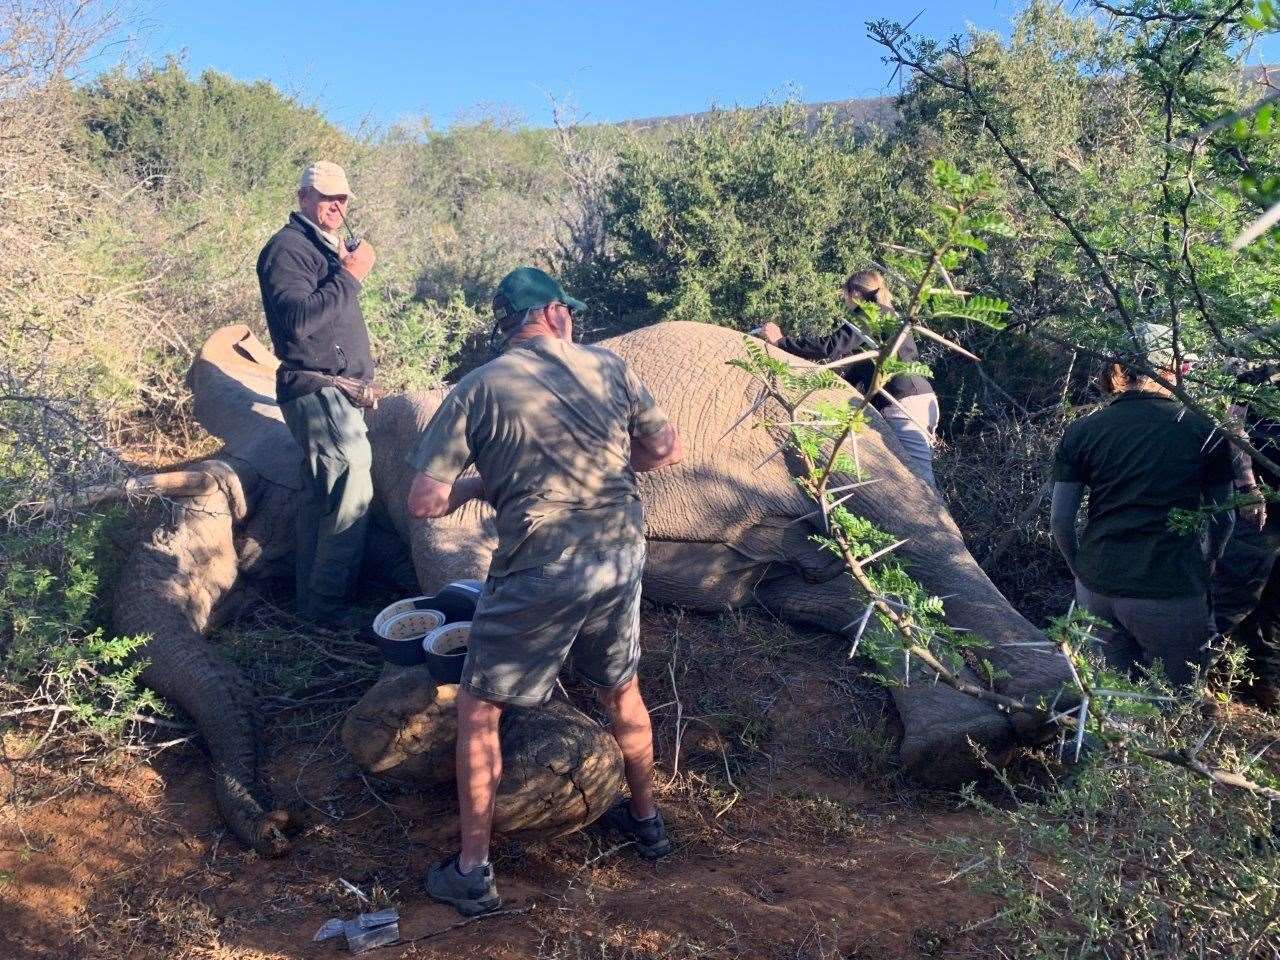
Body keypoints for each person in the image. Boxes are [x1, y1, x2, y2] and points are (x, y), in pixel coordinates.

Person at [406, 266, 683, 916]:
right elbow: (665, 450)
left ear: (507, 325)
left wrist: (480, 485)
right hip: (617, 556)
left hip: (539, 568)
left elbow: (424, 501)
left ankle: (472, 872)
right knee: (623, 691)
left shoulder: (475, 389)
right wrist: (616, 467)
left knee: (480, 711)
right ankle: (647, 824)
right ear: (556, 315)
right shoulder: (610, 369)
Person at [1050, 324, 1235, 687]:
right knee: (1175, 699)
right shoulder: (1204, 430)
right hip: (1168, 587)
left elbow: (1060, 521)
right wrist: (1209, 564)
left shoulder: (1084, 430)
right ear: (1171, 369)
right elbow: (1223, 519)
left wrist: (1081, 570)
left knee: (1115, 700)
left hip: (1097, 587)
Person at [257, 161, 378, 624]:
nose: (336, 205)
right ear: (303, 197)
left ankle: (310, 606)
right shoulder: (287, 249)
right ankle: (329, 611)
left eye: (342, 198)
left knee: (321, 498)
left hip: (335, 392)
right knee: (353, 489)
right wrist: (350, 276)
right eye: (326, 196)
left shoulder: (323, 249)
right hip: (317, 388)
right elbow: (298, 323)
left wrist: (342, 269)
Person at [758, 269, 941, 487]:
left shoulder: (870, 314)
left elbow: (830, 347)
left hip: (904, 405)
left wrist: (781, 342)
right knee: (904, 480)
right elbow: (860, 371)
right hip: (914, 401)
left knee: (921, 485)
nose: (845, 301)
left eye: (844, 295)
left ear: (854, 293)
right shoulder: (886, 318)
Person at [1211, 365, 1280, 709]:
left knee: (1274, 608)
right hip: (1260, 510)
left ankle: (1264, 688)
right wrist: (1248, 485)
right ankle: (1192, 680)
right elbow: (1232, 425)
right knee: (1233, 598)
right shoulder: (1258, 376)